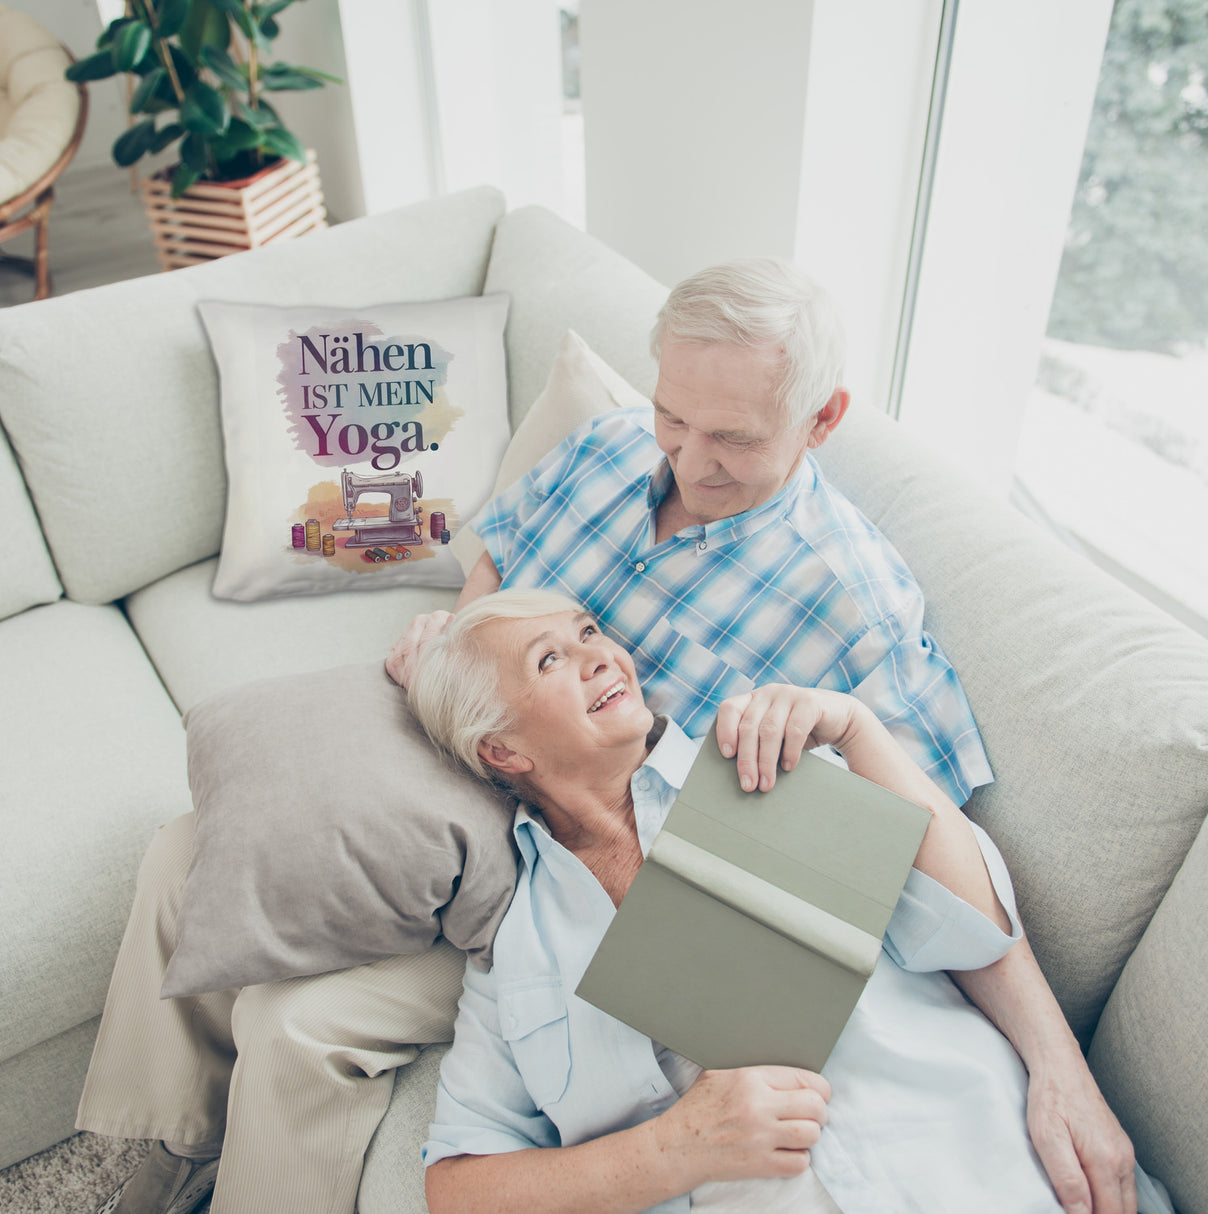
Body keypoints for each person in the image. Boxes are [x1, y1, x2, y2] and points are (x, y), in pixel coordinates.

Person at [79, 260, 1131, 1214]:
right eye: (674, 415)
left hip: (579, 853)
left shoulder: (853, 607)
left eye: (732, 438)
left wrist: (1057, 1063)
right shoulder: (608, 447)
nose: (687, 457)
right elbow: (499, 563)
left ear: (820, 420)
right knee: (192, 847)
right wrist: (457, 645)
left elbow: (927, 855)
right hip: (487, 746)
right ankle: (159, 1150)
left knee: (300, 1024)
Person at [407, 588, 1162, 1214]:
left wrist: (859, 731)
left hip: (985, 1167)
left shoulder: (763, 762)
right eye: (551, 659)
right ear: (502, 750)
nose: (601, 654)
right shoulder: (516, 951)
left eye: (589, 632)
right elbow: (458, 1187)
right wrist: (672, 1150)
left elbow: (972, 929)